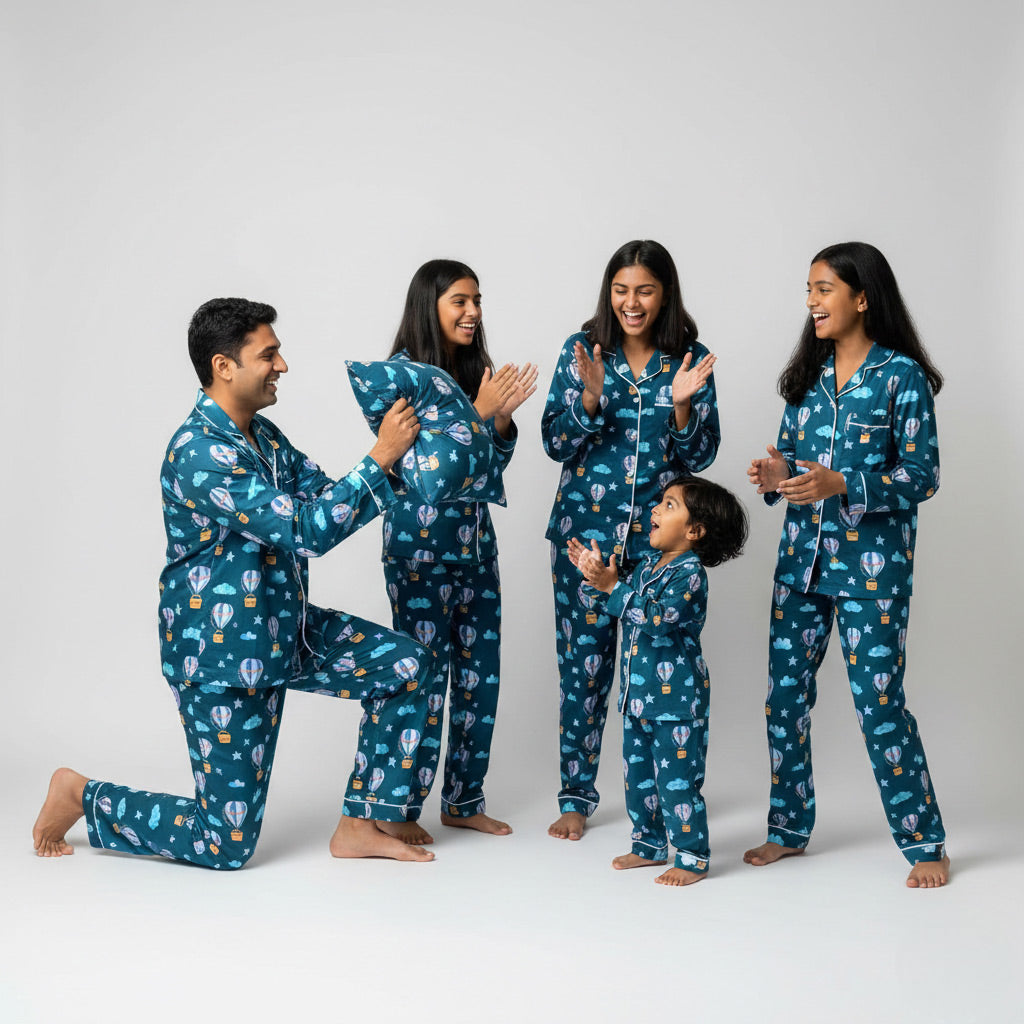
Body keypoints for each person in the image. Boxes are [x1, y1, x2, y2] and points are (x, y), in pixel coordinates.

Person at [33, 297, 438, 867]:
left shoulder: (264, 436)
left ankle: (359, 823)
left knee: (407, 666)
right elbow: (306, 530)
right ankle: (82, 795)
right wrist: (381, 456)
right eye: (268, 354)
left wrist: (405, 456)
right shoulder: (198, 452)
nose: (282, 365)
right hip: (220, 657)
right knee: (224, 845)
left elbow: (325, 498)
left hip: (288, 632)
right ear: (224, 366)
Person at [744, 241, 950, 888]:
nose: (811, 301)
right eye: (809, 289)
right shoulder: (807, 379)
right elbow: (795, 464)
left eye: (823, 288)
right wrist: (776, 476)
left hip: (872, 574)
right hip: (800, 568)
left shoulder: (900, 377)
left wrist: (844, 484)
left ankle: (925, 843)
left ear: (862, 297)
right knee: (783, 702)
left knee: (879, 706)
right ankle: (788, 829)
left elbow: (922, 476)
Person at [542, 239, 720, 840]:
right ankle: (575, 797)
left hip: (657, 549)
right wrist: (590, 397)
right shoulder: (582, 349)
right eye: (621, 290)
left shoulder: (689, 359)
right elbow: (555, 442)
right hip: (584, 544)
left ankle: (660, 808)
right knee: (583, 672)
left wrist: (682, 408)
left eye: (644, 290)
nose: (632, 302)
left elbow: (701, 457)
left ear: (665, 293)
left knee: (655, 674)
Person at [380, 260, 538, 845]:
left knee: (480, 680)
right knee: (421, 680)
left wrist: (501, 421)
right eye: (460, 301)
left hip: (475, 549)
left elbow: (487, 468)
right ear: (430, 306)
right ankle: (399, 808)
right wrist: (480, 412)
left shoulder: (476, 371)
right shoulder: (398, 378)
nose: (473, 312)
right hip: (418, 552)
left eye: (477, 300)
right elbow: (423, 467)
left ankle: (464, 800)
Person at [569, 475, 747, 885]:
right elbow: (616, 605)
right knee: (639, 780)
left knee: (677, 784)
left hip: (676, 705)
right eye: (660, 502)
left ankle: (692, 857)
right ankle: (648, 845)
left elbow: (657, 620)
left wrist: (614, 587)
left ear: (694, 530)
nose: (654, 509)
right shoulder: (648, 565)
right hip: (636, 699)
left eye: (669, 505)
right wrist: (594, 577)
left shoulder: (690, 574)